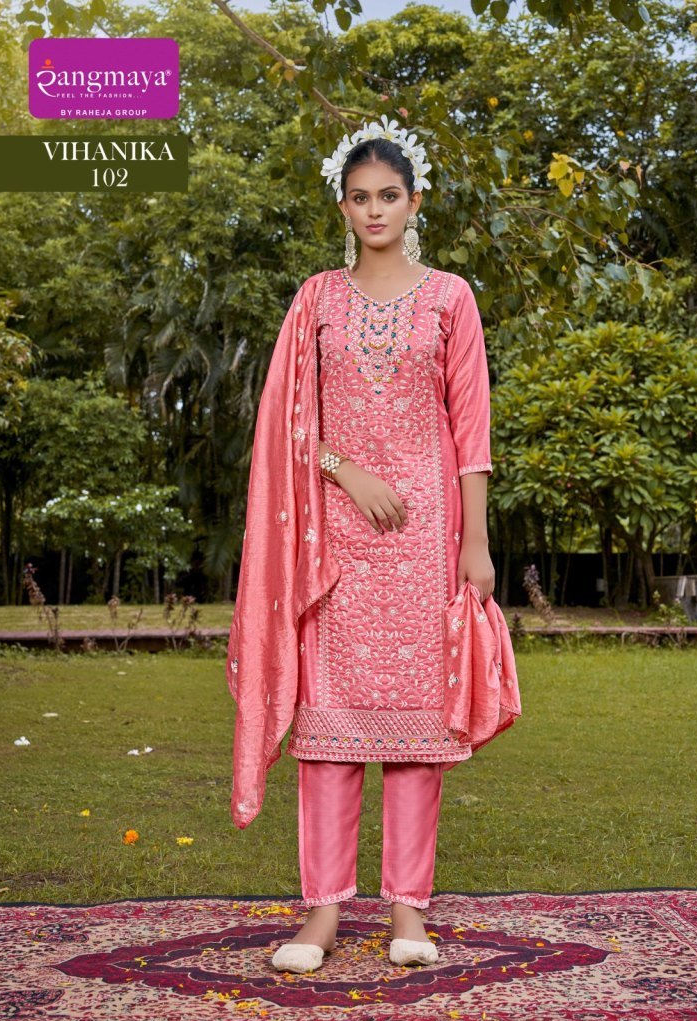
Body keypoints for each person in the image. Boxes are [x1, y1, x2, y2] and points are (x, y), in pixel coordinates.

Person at [225, 115, 518, 976]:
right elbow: (287, 425)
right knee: (329, 728)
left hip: (427, 534)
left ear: (414, 202)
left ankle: (407, 911)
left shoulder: (451, 298)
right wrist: (344, 470)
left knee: (419, 730)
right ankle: (322, 914)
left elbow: (471, 430)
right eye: (360, 198)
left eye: (390, 195)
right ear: (344, 208)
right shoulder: (316, 300)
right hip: (332, 539)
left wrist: (475, 544)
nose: (376, 210)